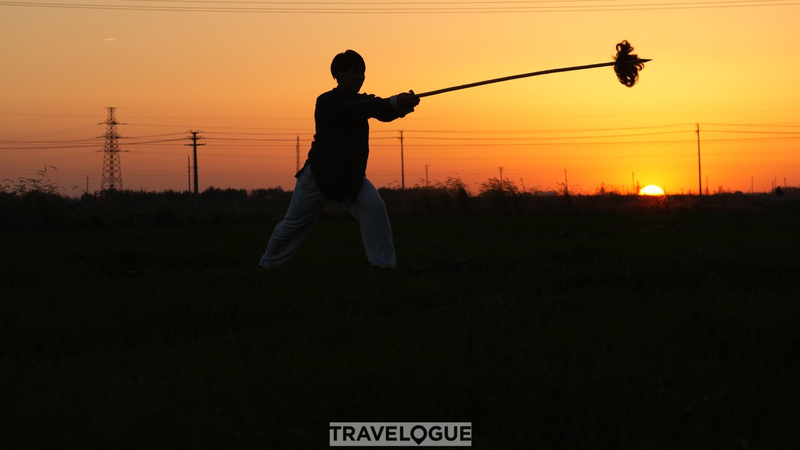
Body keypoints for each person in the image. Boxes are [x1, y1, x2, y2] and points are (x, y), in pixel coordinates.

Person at [258, 50, 420, 269]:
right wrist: (393, 101)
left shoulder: (364, 102)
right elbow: (366, 107)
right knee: (294, 224)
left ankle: (383, 266)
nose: (361, 77)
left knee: (374, 207)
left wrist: (402, 105)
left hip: (351, 178)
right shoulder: (327, 101)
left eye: (363, 72)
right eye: (355, 72)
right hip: (319, 176)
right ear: (339, 74)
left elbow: (381, 111)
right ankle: (268, 265)